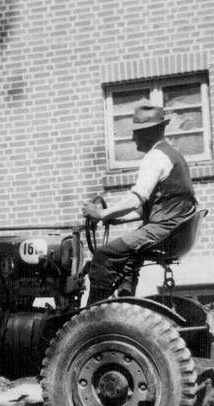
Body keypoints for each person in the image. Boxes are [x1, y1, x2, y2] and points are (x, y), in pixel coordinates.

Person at [82, 105, 197, 305]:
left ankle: (90, 315)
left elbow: (136, 199)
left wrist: (102, 214)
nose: (133, 137)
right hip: (174, 229)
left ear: (149, 131)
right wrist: (114, 217)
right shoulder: (173, 155)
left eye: (136, 132)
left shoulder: (155, 157)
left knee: (103, 256)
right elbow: (155, 205)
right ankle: (125, 303)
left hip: (165, 229)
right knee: (128, 257)